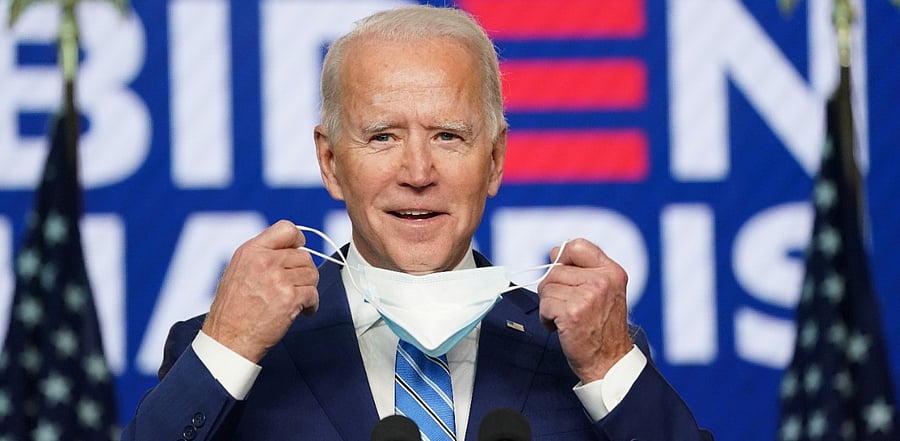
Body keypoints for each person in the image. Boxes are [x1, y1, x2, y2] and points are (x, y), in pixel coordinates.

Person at [123, 5, 712, 440]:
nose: (418, 172)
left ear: (494, 160)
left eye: (448, 136)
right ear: (330, 162)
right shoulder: (235, 347)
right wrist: (227, 350)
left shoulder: (583, 348)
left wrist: (609, 368)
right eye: (383, 137)